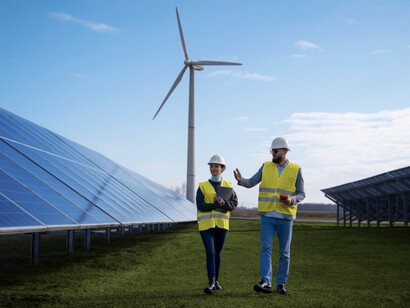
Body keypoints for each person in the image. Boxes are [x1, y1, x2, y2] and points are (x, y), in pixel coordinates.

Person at [233, 137, 305, 295]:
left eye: (275, 151)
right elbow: (251, 181)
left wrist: (292, 200)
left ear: (284, 152)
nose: (272, 153)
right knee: (265, 248)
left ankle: (281, 283)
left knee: (284, 252)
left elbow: (301, 194)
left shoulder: (296, 168)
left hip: (285, 217)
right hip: (267, 216)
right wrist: (241, 181)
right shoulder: (265, 166)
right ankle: (266, 282)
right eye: (272, 151)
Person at [196, 154, 238, 294]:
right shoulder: (202, 186)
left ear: (222, 169)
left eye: (216, 166)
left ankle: (216, 280)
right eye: (211, 166)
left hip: (221, 225)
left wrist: (224, 203)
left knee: (218, 253)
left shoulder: (228, 186)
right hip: (206, 225)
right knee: (211, 252)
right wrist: (214, 205)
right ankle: (211, 282)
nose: (213, 168)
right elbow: (200, 205)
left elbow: (233, 204)